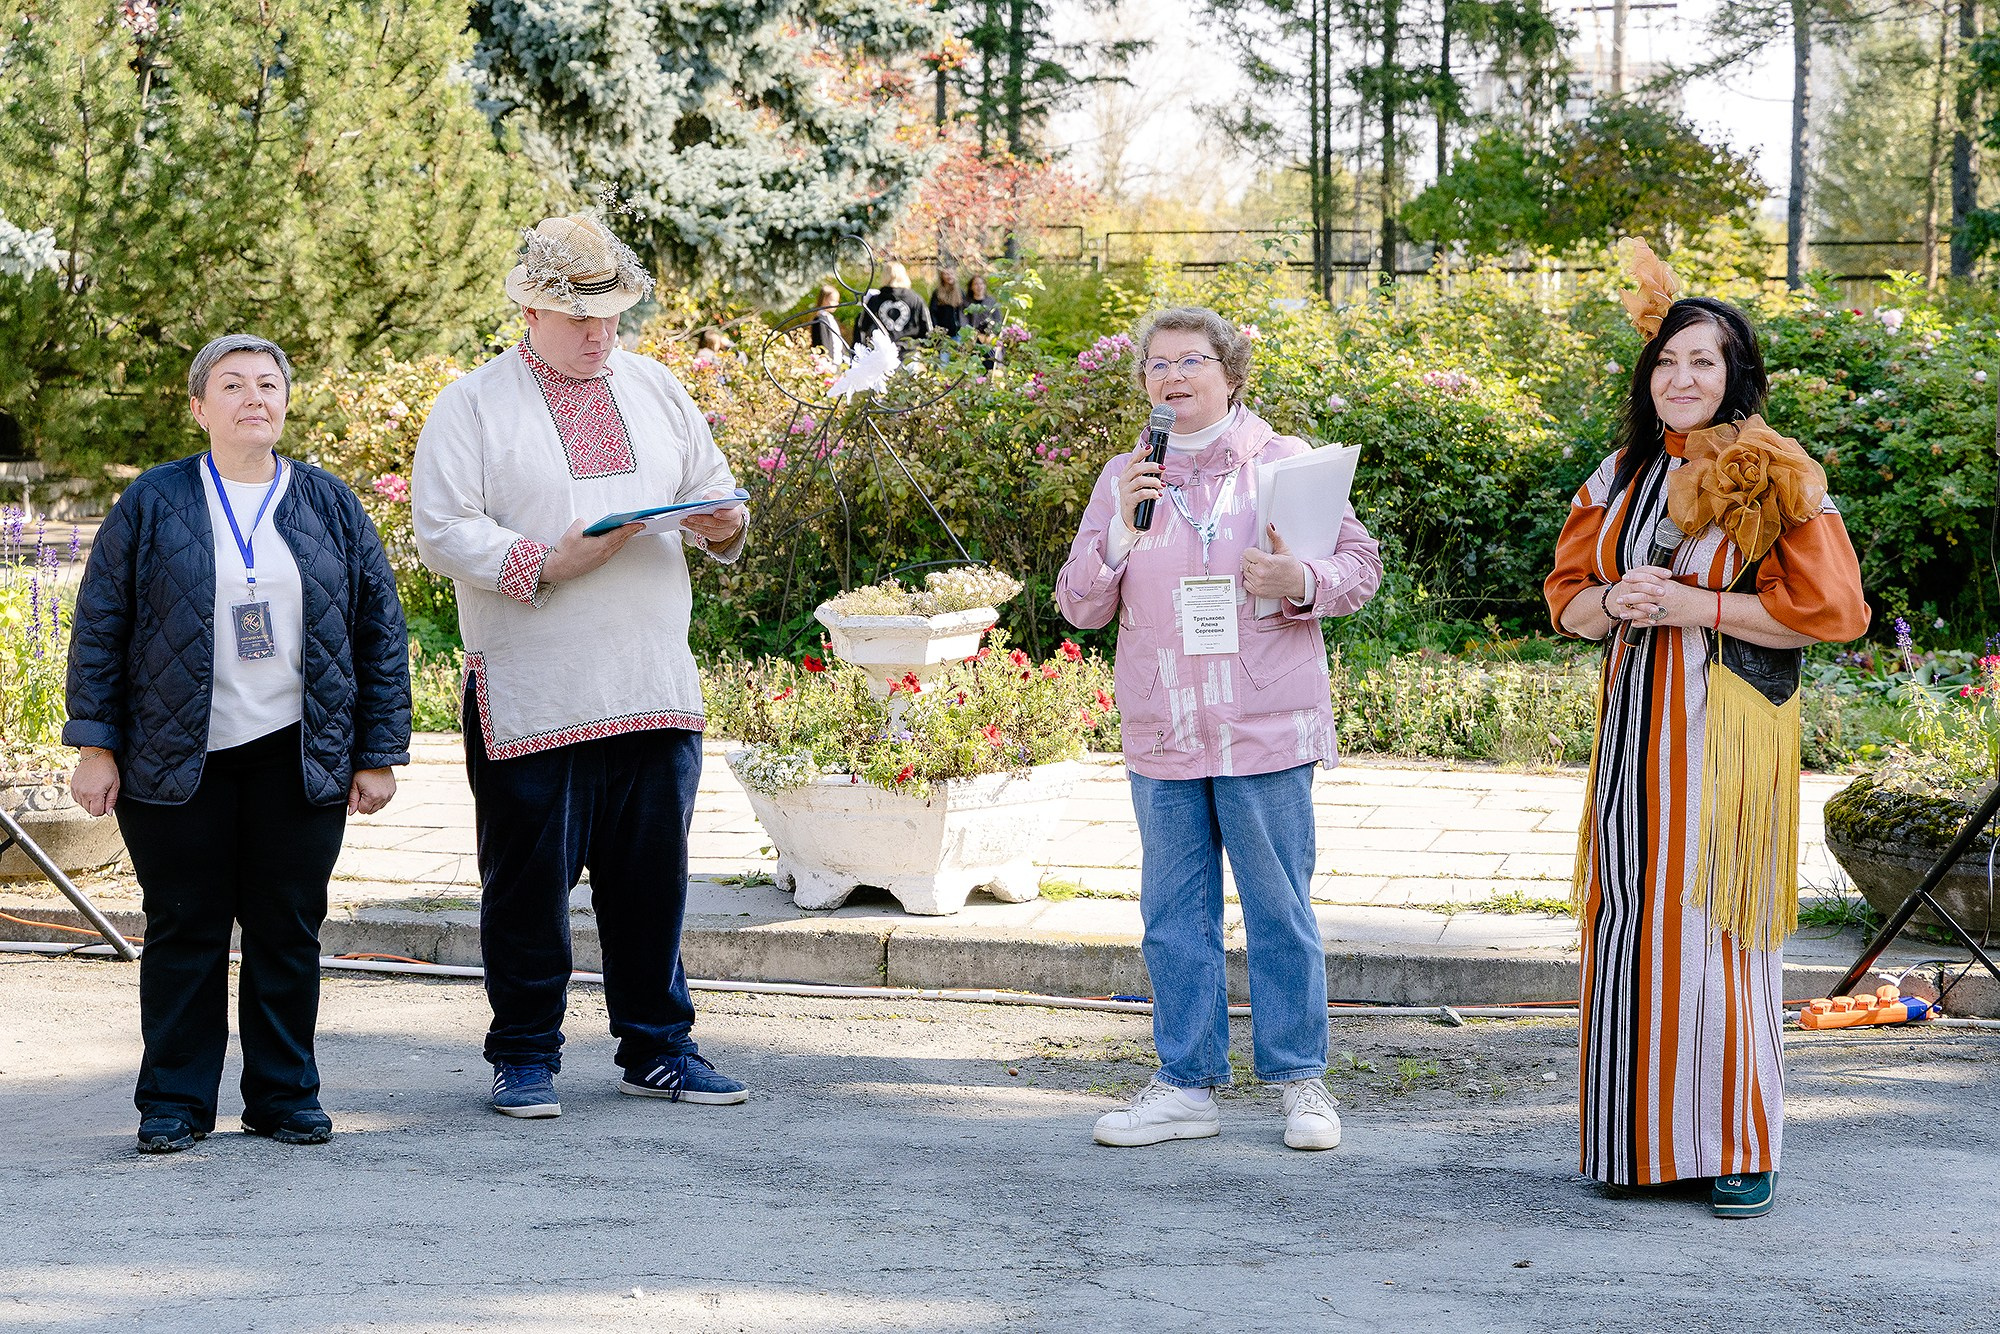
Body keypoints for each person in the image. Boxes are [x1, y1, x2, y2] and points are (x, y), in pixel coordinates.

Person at [1544, 241, 1869, 1219]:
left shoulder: (1774, 468)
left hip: (1724, 726)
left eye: (1703, 361)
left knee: (1716, 928)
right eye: (1666, 361)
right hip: (1629, 733)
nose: (1680, 377)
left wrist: (1690, 607)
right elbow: (1563, 600)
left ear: (1734, 375)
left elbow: (1831, 612)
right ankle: (1638, 1142)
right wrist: (1612, 596)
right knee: (1630, 919)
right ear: (1646, 379)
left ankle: (1739, 1143)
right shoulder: (1614, 474)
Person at [411, 213, 751, 1118]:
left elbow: (713, 486)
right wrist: (547, 563)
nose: (601, 333)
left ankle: (658, 1046)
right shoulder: (473, 404)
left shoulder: (656, 386)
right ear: (529, 308)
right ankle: (524, 1053)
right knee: (527, 886)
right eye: (579, 317)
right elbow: (441, 530)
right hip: (535, 685)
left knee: (654, 883)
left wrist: (724, 524)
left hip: (652, 679)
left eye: (612, 315)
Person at [64, 333, 411, 1154]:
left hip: (299, 752)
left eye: (268, 384)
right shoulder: (154, 501)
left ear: (286, 402)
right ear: (198, 406)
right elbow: (100, 624)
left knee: (287, 929)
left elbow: (378, 631)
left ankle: (285, 1096)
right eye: (232, 385)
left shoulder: (330, 503)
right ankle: (176, 1103)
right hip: (176, 755)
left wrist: (377, 752)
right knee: (185, 927)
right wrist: (95, 745)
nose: (254, 397)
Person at [1056, 307, 1382, 1152]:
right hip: (1164, 724)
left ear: (1230, 373)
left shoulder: (1289, 464)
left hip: (1263, 722)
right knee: (1172, 913)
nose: (1173, 376)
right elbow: (1081, 606)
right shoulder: (1125, 476)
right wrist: (1121, 538)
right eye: (1157, 364)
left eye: (1191, 360)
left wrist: (1298, 575)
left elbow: (1360, 568)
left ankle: (1300, 1082)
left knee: (1279, 907)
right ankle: (1185, 1083)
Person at [858, 262, 932, 350]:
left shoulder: (875, 300)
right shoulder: (916, 299)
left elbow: (863, 326)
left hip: (882, 352)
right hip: (910, 353)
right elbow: (927, 329)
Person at [808, 283, 849, 364]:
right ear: (824, 299)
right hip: (828, 363)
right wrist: (826, 362)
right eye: (833, 300)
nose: (836, 304)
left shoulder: (830, 318)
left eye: (837, 301)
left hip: (838, 361)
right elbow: (822, 343)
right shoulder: (820, 320)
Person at [928, 268, 965, 338]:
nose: (949, 276)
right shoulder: (937, 293)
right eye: (946, 274)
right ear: (942, 276)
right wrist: (936, 329)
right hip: (943, 334)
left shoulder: (961, 293)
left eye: (951, 274)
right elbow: (933, 313)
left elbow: (965, 312)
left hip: (958, 333)